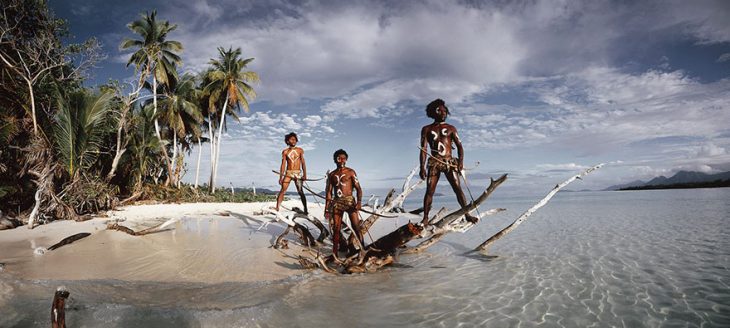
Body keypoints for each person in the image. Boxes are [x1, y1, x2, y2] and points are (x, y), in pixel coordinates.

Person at [419, 98, 478, 226]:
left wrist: (460, 162)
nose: (443, 113)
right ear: (433, 112)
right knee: (429, 191)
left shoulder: (451, 128)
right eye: (439, 110)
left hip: (449, 162)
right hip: (434, 162)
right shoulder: (426, 129)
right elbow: (424, 149)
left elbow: (460, 146)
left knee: (458, 189)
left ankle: (467, 214)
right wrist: (422, 167)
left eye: (445, 111)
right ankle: (425, 218)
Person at [324, 149, 365, 260]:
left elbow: (358, 188)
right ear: (335, 160)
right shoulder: (332, 174)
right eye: (338, 158)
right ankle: (335, 253)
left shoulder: (351, 172)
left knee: (356, 226)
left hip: (350, 202)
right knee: (336, 229)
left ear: (346, 159)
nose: (341, 160)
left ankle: (363, 249)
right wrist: (327, 209)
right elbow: (328, 192)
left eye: (343, 158)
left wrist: (359, 202)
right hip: (337, 202)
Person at [275, 132, 308, 214]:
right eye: (291, 139)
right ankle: (277, 208)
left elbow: (303, 163)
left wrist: (304, 174)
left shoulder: (300, 150)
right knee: (282, 190)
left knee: (300, 192)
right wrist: (280, 177)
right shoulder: (285, 152)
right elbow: (283, 165)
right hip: (288, 173)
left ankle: (306, 209)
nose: (293, 141)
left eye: (295, 139)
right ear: (287, 141)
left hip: (297, 173)